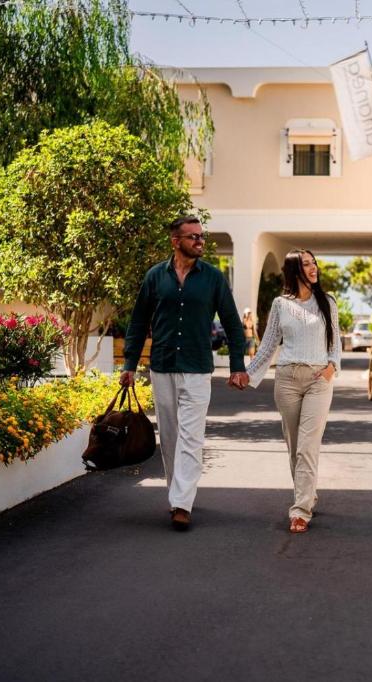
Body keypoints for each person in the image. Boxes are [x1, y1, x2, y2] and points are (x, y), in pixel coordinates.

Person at [120, 215, 248, 531]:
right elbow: (137, 323)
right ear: (176, 241)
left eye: (201, 236)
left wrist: (237, 366)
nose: (200, 241)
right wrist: (129, 365)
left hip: (196, 368)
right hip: (162, 366)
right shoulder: (155, 277)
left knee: (192, 436)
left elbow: (232, 323)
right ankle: (177, 495)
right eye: (193, 237)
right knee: (171, 437)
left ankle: (182, 505)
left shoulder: (213, 279)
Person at [243, 249, 342, 534]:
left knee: (308, 446)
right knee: (295, 446)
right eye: (306, 264)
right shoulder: (280, 305)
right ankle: (306, 493)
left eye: (314, 263)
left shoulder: (328, 302)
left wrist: (330, 369)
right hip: (286, 379)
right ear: (293, 270)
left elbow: (334, 342)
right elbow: (269, 344)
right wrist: (247, 375)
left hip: (317, 380)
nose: (313, 268)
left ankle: (300, 509)